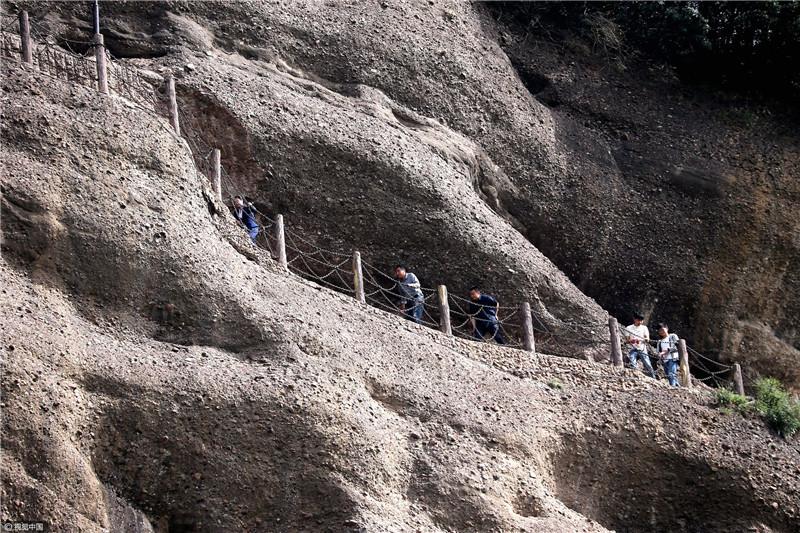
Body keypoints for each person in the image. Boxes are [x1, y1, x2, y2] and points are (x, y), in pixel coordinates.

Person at [626, 312, 655, 378]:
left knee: (647, 363)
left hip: (642, 348)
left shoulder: (644, 328)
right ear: (634, 319)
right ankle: (636, 376)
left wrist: (642, 340)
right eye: (639, 320)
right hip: (633, 348)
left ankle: (653, 377)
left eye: (642, 320)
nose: (640, 322)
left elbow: (647, 339)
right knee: (632, 362)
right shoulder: (629, 328)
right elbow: (627, 340)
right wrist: (631, 341)